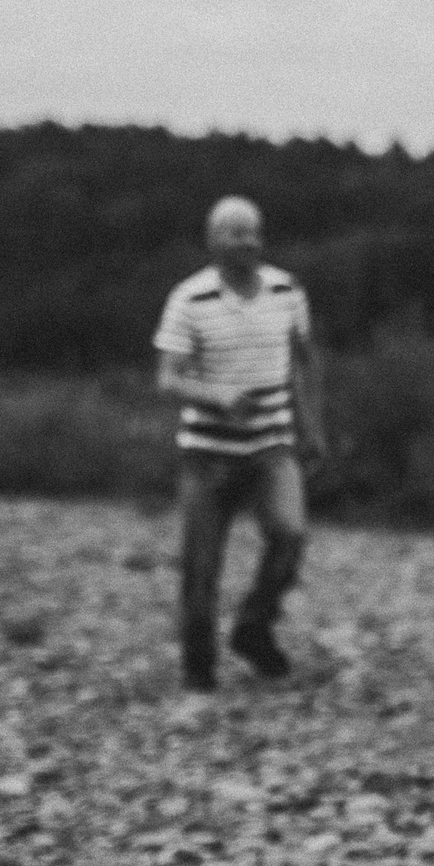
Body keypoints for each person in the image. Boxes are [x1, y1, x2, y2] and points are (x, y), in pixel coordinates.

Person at [153, 195, 325, 690]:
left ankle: (253, 628)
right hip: (207, 453)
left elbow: (303, 360)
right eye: (235, 233)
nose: (248, 241)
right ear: (212, 242)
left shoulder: (287, 290)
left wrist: (311, 425)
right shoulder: (189, 299)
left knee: (290, 535)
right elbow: (167, 378)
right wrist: (217, 395)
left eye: (254, 231)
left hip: (272, 444)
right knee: (201, 563)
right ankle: (198, 665)